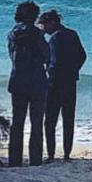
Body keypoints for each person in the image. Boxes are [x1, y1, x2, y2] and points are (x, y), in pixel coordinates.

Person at [38, 8, 86, 160]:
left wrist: (48, 74)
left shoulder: (54, 39)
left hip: (55, 83)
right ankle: (66, 154)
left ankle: (51, 154)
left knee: (50, 120)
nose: (42, 28)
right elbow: (82, 55)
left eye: (44, 25)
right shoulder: (72, 34)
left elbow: (54, 62)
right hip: (71, 81)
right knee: (68, 119)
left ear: (52, 23)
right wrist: (74, 70)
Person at [6, 0, 50, 166]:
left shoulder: (13, 34)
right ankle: (35, 159)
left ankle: (14, 160)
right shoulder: (38, 35)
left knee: (17, 122)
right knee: (36, 122)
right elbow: (47, 56)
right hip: (38, 81)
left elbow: (12, 56)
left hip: (18, 80)